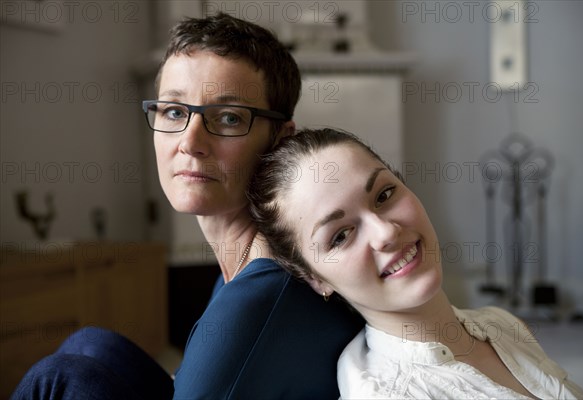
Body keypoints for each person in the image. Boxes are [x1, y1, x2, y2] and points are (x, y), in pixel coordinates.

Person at [11, 14, 362, 400]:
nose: (190, 142)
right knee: (91, 345)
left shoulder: (255, 301)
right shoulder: (246, 259)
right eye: (175, 112)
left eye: (228, 118)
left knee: (57, 378)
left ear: (280, 138)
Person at [248, 128, 583, 399]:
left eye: (383, 195)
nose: (385, 233)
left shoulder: (500, 324)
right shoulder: (386, 393)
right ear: (315, 279)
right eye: (340, 235)